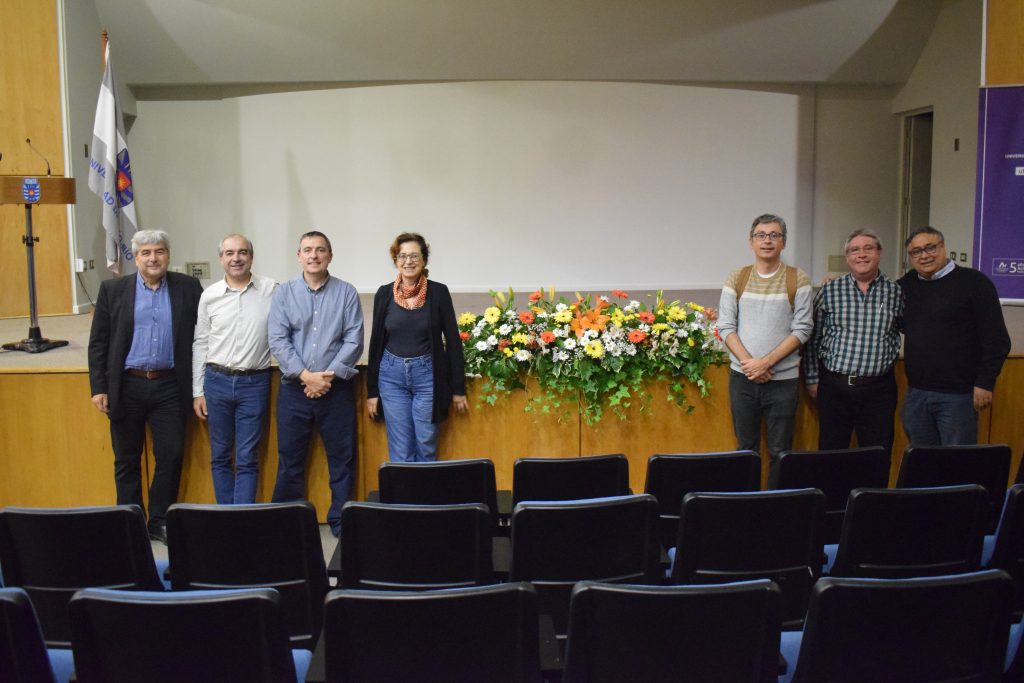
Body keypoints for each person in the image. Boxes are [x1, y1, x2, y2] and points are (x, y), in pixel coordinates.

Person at [87, 229, 203, 543]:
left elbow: (202, 336)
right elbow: (98, 343)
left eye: (159, 251)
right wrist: (99, 387)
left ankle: (160, 519)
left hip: (170, 386)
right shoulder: (113, 289)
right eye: (146, 253)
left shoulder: (188, 287)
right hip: (127, 385)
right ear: (136, 257)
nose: (153, 258)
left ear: (168, 255)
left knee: (171, 454)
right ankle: (130, 519)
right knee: (126, 458)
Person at [268, 231, 363, 536]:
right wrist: (306, 376)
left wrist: (327, 377)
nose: (314, 255)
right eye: (307, 250)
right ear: (299, 256)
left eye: (320, 250)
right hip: (295, 390)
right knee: (290, 460)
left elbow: (354, 339)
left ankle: (342, 522)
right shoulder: (284, 293)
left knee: (342, 459)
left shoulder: (346, 292)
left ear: (330, 256)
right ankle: (288, 522)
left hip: (336, 391)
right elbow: (278, 339)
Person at [718, 214, 813, 484]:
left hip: (783, 382)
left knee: (780, 451)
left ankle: (775, 505)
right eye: (761, 235)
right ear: (751, 242)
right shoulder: (737, 277)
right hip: (743, 379)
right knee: (745, 451)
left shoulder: (797, 278)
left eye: (774, 235)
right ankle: (746, 503)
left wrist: (765, 363)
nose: (767, 241)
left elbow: (803, 328)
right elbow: (725, 325)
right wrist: (751, 364)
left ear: (783, 242)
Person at [898, 226, 1010, 446]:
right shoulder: (906, 286)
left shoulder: (974, 282)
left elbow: (997, 340)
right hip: (917, 394)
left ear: (943, 247)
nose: (924, 255)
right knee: (921, 460)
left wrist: (985, 382)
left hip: (958, 396)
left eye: (930, 248)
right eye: (916, 252)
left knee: (957, 461)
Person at [365, 233, 468, 462]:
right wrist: (372, 392)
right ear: (396, 260)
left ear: (424, 260)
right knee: (401, 451)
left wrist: (458, 389)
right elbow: (376, 343)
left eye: (414, 256)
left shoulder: (438, 292)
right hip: (391, 378)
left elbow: (452, 341)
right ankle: (403, 487)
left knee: (426, 445)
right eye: (402, 256)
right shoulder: (384, 293)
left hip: (428, 377)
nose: (408, 261)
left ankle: (425, 487)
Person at [192, 234, 276, 504]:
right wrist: (198, 390)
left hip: (254, 383)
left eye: (242, 252)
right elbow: (201, 342)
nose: (236, 258)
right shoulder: (209, 296)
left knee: (247, 458)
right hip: (216, 382)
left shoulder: (271, 290)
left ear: (251, 256)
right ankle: (226, 519)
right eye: (229, 253)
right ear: (221, 259)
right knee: (220, 456)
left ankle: (241, 518)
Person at [802, 229, 903, 455]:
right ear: (847, 257)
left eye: (868, 248)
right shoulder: (830, 290)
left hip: (879, 390)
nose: (862, 255)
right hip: (834, 388)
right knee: (831, 454)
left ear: (879, 253)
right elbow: (812, 339)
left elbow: (908, 328)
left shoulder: (895, 292)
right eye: (855, 250)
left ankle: (872, 482)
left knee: (878, 453)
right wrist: (812, 379)